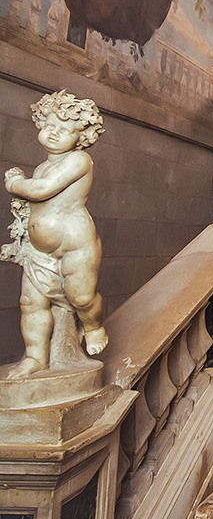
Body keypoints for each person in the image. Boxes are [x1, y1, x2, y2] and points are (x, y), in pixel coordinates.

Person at [3, 91, 106, 378]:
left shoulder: (79, 161)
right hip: (39, 251)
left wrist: (14, 183)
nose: (53, 134)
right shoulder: (43, 165)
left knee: (82, 297)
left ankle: (93, 327)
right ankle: (36, 357)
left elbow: (42, 190)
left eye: (63, 130)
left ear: (80, 135)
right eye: (49, 126)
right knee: (30, 303)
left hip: (75, 246)